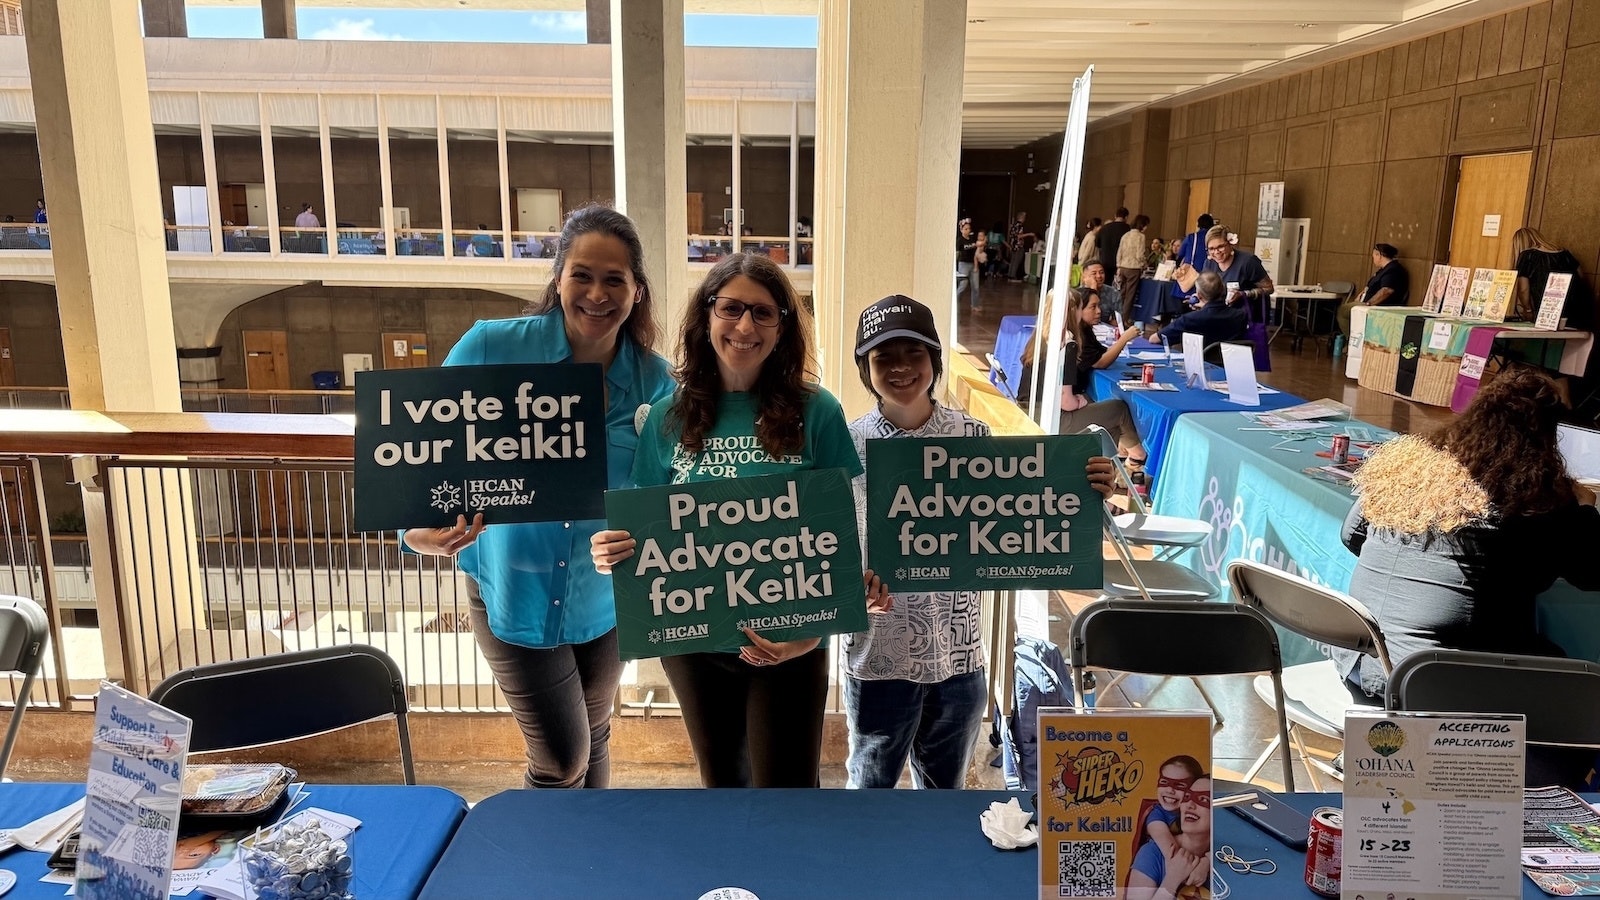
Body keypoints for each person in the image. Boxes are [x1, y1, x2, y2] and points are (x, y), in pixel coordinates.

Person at [402, 205, 674, 790]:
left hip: (606, 599)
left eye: (615, 280)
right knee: (561, 758)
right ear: (558, 279)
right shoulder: (490, 349)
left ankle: (588, 869)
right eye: (583, 275)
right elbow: (420, 449)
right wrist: (416, 530)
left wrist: (648, 533)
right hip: (514, 592)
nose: (597, 294)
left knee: (596, 733)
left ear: (637, 291)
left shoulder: (657, 381)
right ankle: (540, 870)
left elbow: (672, 490)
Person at [591, 252, 861, 789]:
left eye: (763, 313)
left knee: (786, 794)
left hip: (790, 641)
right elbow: (647, 526)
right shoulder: (669, 416)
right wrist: (613, 552)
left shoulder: (819, 411)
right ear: (706, 317)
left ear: (783, 326)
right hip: (692, 644)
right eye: (731, 308)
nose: (745, 327)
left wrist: (809, 637)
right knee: (722, 788)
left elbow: (842, 537)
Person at [1334, 367, 1600, 702]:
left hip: (1357, 663)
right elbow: (1590, 572)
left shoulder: (1408, 466)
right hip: (1436, 678)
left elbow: (1351, 536)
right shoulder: (1531, 498)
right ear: (1547, 439)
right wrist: (1585, 508)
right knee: (1579, 689)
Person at [1061, 287, 1149, 467]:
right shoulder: (1071, 342)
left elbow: (1101, 354)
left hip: (1053, 409)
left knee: (1109, 416)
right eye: (1092, 307)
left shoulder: (1082, 332)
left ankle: (1121, 462)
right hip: (1061, 417)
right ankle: (1137, 456)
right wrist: (1123, 339)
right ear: (1076, 311)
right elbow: (1100, 362)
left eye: (1099, 306)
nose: (1099, 311)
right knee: (1119, 409)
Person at [1127, 774, 1213, 900]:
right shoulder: (1152, 853)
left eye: (1204, 799)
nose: (1190, 805)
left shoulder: (1224, 852)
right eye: (1187, 797)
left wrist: (1209, 862)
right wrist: (1172, 880)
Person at [1512, 227, 1589, 328]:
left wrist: (1528, 309)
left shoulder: (1527, 256)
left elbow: (1523, 289)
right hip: (1576, 310)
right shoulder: (1565, 253)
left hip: (1546, 312)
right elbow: (1582, 276)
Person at [1139, 755, 1207, 868]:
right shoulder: (1155, 815)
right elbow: (1173, 855)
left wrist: (1207, 862)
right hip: (1155, 868)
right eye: (1164, 782)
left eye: (1180, 785)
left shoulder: (1200, 814)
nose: (1170, 790)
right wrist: (1202, 867)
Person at [1200, 224, 1273, 324]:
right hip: (1219, 318)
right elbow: (1207, 291)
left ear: (1230, 244)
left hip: (1247, 320)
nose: (1216, 252)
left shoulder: (1248, 262)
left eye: (1220, 246)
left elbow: (1269, 288)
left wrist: (1244, 294)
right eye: (1211, 249)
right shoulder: (1209, 263)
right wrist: (1199, 298)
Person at [1338, 243, 1409, 339]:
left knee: (1342, 312)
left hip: (1377, 305)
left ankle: (1352, 340)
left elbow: (1386, 290)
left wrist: (1369, 304)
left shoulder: (1393, 270)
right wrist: (1359, 297)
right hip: (1368, 302)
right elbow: (1369, 287)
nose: (1373, 259)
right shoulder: (1383, 270)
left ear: (1379, 255)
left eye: (1374, 256)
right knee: (1346, 309)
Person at [1159, 271, 1248, 348]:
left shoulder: (1190, 319)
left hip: (1200, 365)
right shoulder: (1240, 316)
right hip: (1230, 365)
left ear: (1199, 294)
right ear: (1223, 290)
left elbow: (1156, 338)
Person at [1115, 215, 1151, 325]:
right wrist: (1144, 264)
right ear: (1142, 225)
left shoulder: (1125, 235)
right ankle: (1124, 320)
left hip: (1123, 267)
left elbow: (1119, 251)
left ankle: (1116, 316)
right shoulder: (1141, 237)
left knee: (1121, 293)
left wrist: (1119, 266)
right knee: (1130, 295)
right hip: (1134, 268)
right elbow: (1140, 254)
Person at [956, 217, 983, 313]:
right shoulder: (959, 240)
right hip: (963, 264)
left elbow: (977, 250)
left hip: (973, 264)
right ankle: (955, 302)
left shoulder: (972, 239)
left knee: (975, 286)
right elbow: (958, 252)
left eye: (969, 229)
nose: (967, 231)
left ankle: (975, 305)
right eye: (965, 229)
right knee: (963, 285)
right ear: (961, 230)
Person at [1097, 208, 1131, 280]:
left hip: (1105, 261)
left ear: (1115, 216)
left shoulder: (1105, 228)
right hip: (1121, 263)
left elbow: (1097, 244)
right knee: (1118, 287)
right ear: (1126, 217)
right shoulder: (1128, 229)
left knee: (1104, 285)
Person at [1006, 211, 1039, 281]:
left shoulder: (1014, 225)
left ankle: (1010, 274)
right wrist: (1029, 234)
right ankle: (1013, 276)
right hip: (1018, 245)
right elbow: (1019, 236)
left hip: (1013, 245)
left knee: (1013, 260)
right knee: (1017, 260)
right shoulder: (1020, 226)